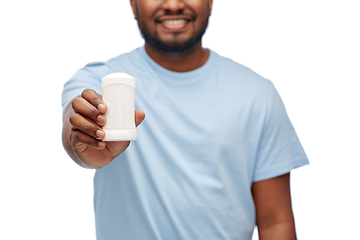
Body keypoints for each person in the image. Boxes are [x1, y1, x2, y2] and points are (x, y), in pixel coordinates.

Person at [62, 0, 309, 239]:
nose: (173, 4)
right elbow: (74, 122)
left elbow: (276, 222)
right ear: (133, 4)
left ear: (210, 3)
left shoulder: (258, 94)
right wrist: (83, 144)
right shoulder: (102, 81)